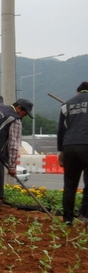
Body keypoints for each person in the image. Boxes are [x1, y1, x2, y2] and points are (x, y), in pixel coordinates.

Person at [57, 81, 88, 226]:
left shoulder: (66, 105)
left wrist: (60, 151)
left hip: (69, 146)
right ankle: (85, 216)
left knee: (70, 185)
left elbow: (61, 131)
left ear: (78, 91)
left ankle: (68, 219)